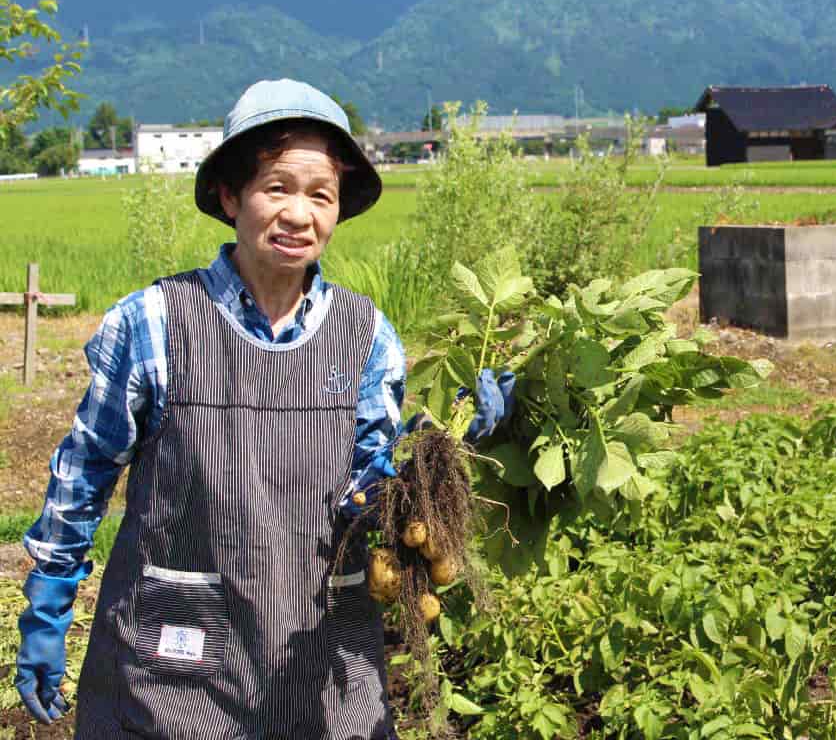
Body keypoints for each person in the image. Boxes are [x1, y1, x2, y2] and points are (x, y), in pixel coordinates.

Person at [13, 79, 512, 738]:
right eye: (277, 188)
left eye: (320, 195)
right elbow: (83, 474)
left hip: (320, 658)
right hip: (175, 665)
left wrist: (445, 441)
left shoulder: (367, 337)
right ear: (230, 196)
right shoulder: (156, 324)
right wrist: (48, 604)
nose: (299, 214)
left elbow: (368, 483)